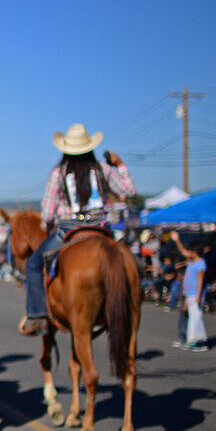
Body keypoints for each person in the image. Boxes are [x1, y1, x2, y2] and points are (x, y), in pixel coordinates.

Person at [20, 124, 136, 336]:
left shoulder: (59, 173)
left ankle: (38, 315)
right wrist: (120, 164)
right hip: (101, 226)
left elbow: (47, 212)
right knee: (129, 260)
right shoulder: (103, 169)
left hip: (68, 228)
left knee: (33, 265)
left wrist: (48, 224)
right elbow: (128, 190)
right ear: (90, 147)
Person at [172, 232, 208, 351]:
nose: (189, 253)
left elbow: (200, 281)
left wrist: (198, 296)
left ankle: (192, 342)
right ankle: (193, 340)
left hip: (195, 294)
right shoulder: (192, 261)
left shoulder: (200, 264)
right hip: (189, 294)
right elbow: (184, 252)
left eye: (191, 251)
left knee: (195, 318)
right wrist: (177, 240)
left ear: (195, 252)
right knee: (193, 317)